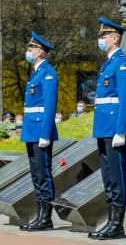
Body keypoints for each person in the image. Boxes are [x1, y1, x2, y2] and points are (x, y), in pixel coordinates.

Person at [88, 17, 126, 240]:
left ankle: (118, 224)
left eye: (104, 36)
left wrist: (121, 130)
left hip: (114, 127)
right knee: (107, 176)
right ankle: (111, 221)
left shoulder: (121, 63)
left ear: (115, 38)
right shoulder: (108, 63)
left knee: (116, 176)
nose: (101, 39)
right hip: (103, 127)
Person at [19, 31, 59, 232]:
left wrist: (45, 133)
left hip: (40, 131)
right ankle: (40, 214)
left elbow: (49, 106)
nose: (28, 51)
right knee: (36, 174)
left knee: (43, 173)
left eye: (31, 48)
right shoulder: (36, 73)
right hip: (31, 130)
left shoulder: (48, 73)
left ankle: (46, 217)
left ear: (41, 52)